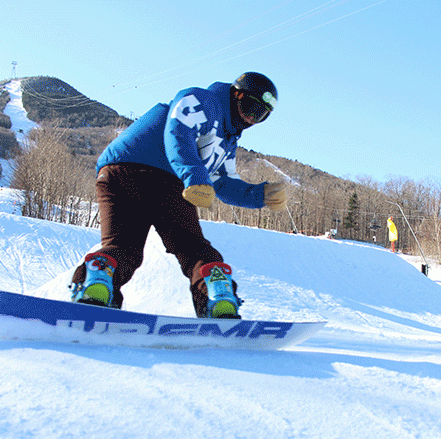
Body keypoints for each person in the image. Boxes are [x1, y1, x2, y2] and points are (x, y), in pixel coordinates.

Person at [69, 72, 286, 319]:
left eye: (260, 115)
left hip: (123, 174)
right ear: (235, 94)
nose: (250, 119)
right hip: (149, 174)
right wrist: (194, 175)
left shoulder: (226, 141)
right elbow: (178, 133)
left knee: (123, 248)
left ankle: (98, 282)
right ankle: (218, 295)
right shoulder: (204, 100)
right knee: (194, 250)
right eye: (249, 107)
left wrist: (259, 195)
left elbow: (222, 182)